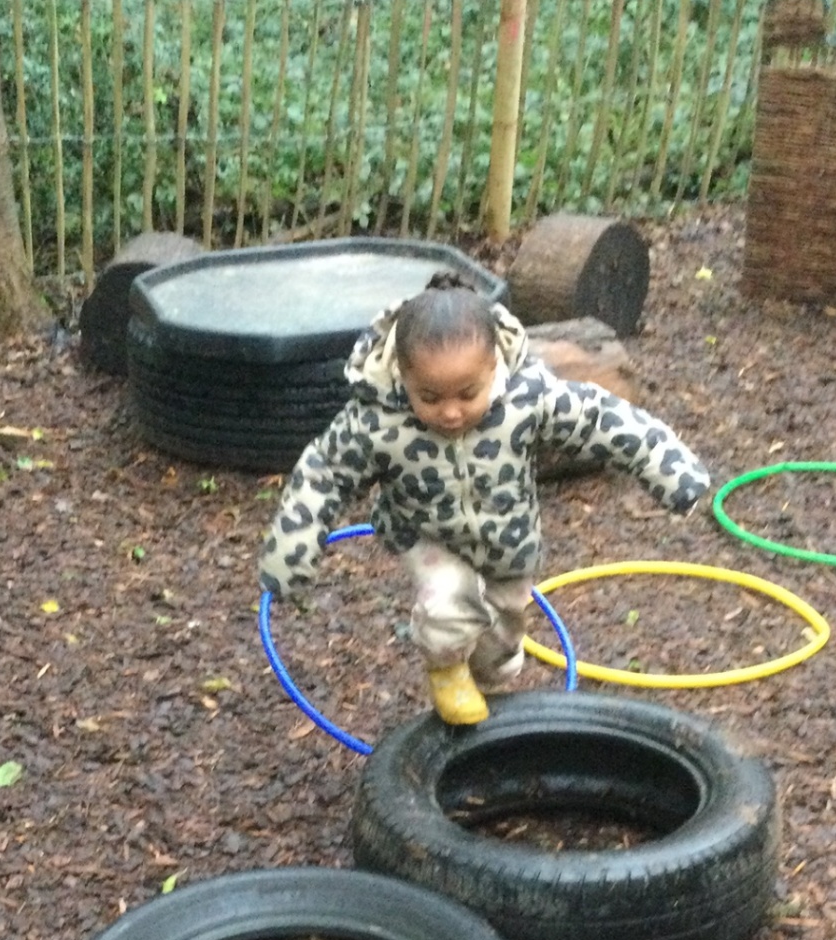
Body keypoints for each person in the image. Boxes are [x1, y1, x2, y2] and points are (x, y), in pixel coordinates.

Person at [259, 274, 710, 726]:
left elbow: (602, 419)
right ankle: (447, 671)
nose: (451, 412)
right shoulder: (377, 421)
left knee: (502, 634)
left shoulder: (526, 399)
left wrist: (670, 470)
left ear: (493, 366)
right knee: (447, 606)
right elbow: (325, 471)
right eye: (429, 397)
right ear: (402, 373)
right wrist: (291, 552)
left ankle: (489, 686)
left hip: (508, 541)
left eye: (467, 393)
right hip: (426, 534)